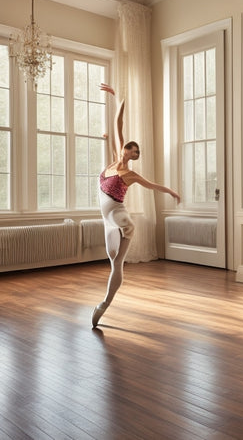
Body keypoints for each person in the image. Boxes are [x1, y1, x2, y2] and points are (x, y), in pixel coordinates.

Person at [92, 83, 181, 328]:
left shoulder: (129, 175)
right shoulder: (113, 160)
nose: (130, 155)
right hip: (108, 222)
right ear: (123, 149)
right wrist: (117, 96)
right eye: (130, 151)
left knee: (118, 260)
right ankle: (104, 304)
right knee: (113, 262)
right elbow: (117, 123)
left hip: (121, 221)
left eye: (134, 154)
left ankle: (105, 304)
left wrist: (171, 191)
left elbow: (152, 185)